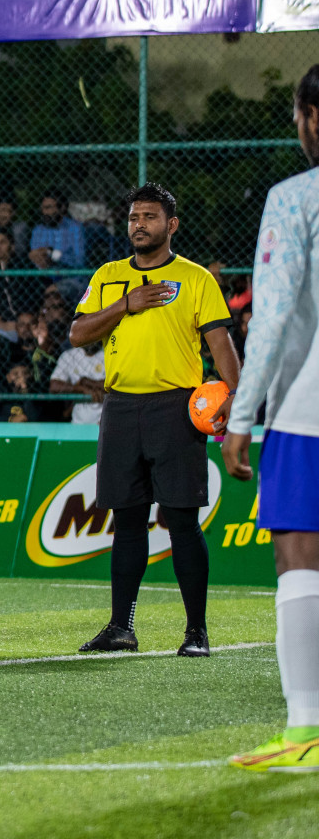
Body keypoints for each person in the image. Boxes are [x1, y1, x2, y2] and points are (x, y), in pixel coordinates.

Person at [70, 183, 240, 659]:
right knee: (126, 522)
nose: (138, 225)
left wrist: (234, 397)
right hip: (120, 406)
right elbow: (79, 333)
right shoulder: (108, 276)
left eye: (149, 216)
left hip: (177, 409)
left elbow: (221, 345)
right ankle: (121, 628)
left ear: (172, 225)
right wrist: (126, 304)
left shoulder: (196, 278)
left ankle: (196, 632)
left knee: (182, 520)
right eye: (132, 218)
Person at [222, 67, 319, 772]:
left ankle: (307, 730)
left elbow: (274, 314)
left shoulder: (296, 199)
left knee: (301, 560)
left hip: (309, 409)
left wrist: (241, 416)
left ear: (310, 116)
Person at [49, 340, 106, 425]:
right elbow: (54, 386)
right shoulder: (70, 355)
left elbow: (118, 384)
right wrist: (80, 388)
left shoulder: (109, 353)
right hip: (78, 422)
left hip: (105, 421)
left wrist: (87, 382)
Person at [30, 191, 86, 269]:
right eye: (43, 208)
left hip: (70, 277)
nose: (45, 212)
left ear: (61, 208)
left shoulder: (75, 228)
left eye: (48, 207)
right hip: (45, 277)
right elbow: (36, 258)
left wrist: (52, 253)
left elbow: (79, 261)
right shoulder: (38, 230)